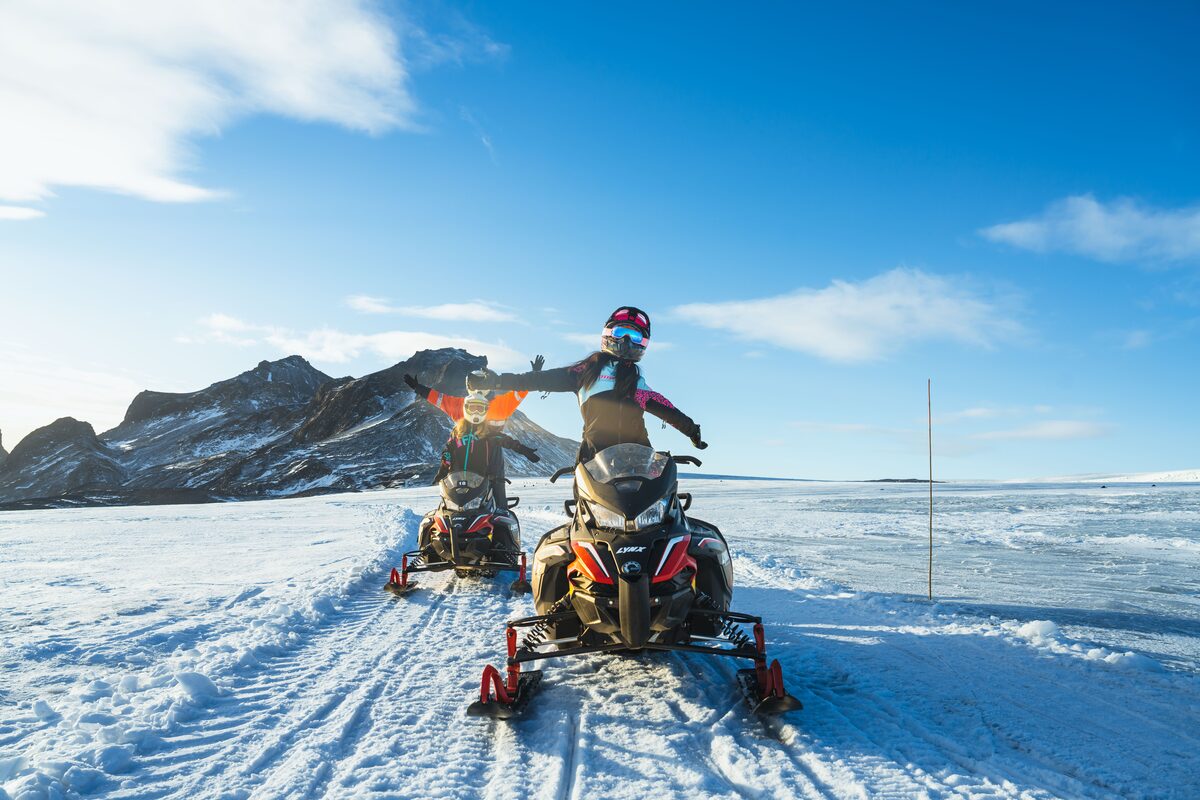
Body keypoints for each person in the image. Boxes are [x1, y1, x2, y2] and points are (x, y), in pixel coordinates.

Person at [467, 306, 705, 463]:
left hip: (639, 461)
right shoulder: (585, 372)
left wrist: (692, 430)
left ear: (644, 344)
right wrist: (496, 380)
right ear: (609, 333)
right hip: (594, 462)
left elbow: (667, 410)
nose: (625, 341)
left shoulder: (637, 383)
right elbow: (538, 379)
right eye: (621, 332)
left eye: (635, 337)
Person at [404, 357, 545, 506]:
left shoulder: (490, 405)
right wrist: (418, 388)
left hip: (489, 453)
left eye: (480, 382)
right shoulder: (469, 404)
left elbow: (439, 399)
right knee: (455, 498)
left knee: (496, 493)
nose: (477, 386)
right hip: (466, 452)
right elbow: (439, 399)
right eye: (474, 383)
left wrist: (533, 375)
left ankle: (500, 512)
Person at [431, 390, 540, 508]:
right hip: (456, 483)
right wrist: (443, 470)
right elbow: (447, 451)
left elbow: (506, 440)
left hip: (481, 483)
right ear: (466, 409)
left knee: (494, 512)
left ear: (485, 410)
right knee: (447, 512)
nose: (476, 412)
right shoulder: (457, 432)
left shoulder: (488, 433)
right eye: (473, 408)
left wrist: (522, 449)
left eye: (480, 408)